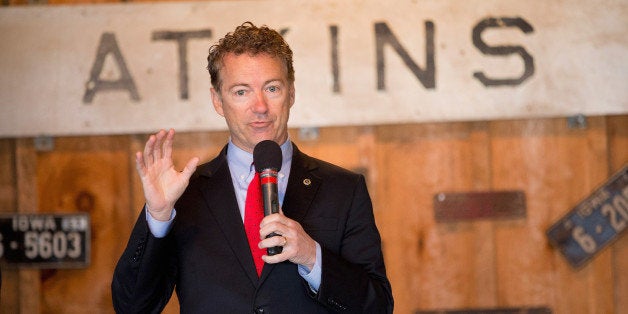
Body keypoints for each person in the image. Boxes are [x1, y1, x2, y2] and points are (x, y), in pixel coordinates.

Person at [111, 22, 393, 313]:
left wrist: (313, 257)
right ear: (217, 101)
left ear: (291, 93)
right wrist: (158, 216)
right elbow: (132, 307)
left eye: (272, 88)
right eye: (241, 92)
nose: (260, 107)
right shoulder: (184, 195)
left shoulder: (344, 190)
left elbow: (378, 306)